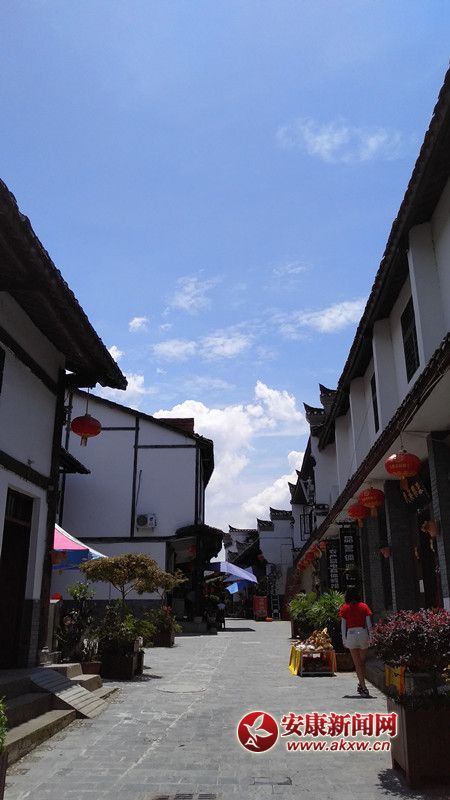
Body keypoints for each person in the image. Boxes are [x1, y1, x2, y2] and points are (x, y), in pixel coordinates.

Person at [339, 587, 372, 697]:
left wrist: (344, 639)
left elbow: (343, 625)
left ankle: (363, 687)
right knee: (362, 662)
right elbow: (369, 624)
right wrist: (371, 637)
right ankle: (361, 684)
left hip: (351, 634)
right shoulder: (364, 606)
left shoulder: (345, 608)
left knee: (357, 663)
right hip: (363, 633)